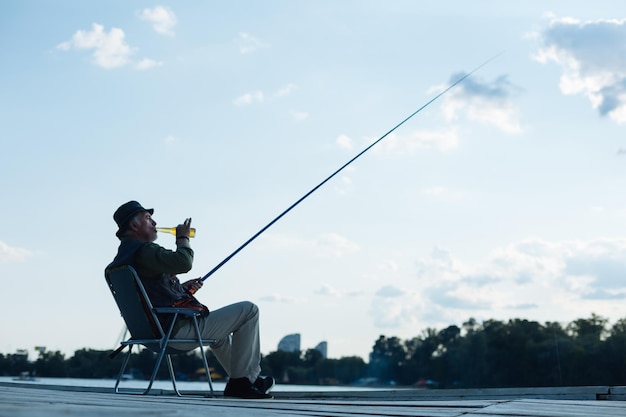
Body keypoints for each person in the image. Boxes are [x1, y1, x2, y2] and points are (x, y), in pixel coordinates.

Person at [106, 201, 274, 399]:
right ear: (134, 226)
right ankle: (242, 383)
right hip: (174, 333)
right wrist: (183, 238)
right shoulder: (145, 251)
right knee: (249, 310)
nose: (154, 222)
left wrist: (180, 289)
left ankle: (246, 380)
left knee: (219, 337)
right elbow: (183, 262)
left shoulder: (123, 260)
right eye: (148, 218)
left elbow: (150, 296)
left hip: (151, 335)